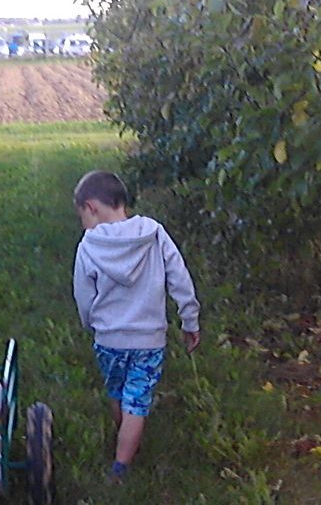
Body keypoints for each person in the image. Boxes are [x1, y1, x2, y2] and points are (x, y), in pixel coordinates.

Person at [72, 170, 201, 483]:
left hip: (109, 339)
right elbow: (179, 277)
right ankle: (122, 464)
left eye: (81, 216)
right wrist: (189, 318)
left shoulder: (89, 246)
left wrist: (89, 322)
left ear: (91, 207)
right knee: (137, 400)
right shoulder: (154, 233)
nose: (83, 224)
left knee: (116, 391)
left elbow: (83, 293)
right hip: (148, 340)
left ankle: (122, 442)